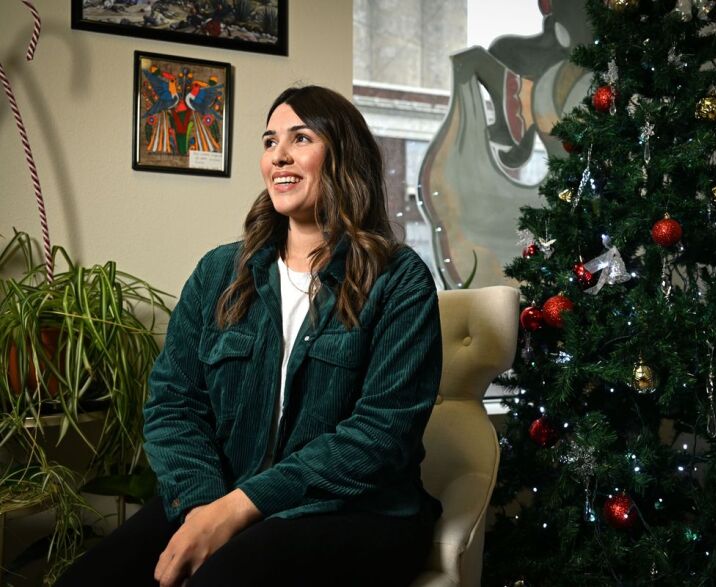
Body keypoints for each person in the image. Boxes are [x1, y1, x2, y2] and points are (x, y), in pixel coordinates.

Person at [57, 85, 443, 587]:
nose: (278, 155)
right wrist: (204, 511)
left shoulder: (399, 279)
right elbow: (174, 403)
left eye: (300, 138)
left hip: (357, 511)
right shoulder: (219, 273)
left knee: (221, 577)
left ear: (344, 155)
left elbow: (380, 435)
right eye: (269, 141)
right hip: (221, 494)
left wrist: (240, 509)